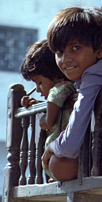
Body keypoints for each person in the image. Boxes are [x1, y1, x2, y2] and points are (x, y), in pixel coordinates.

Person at [42, 6, 102, 181]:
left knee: (59, 165)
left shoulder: (94, 75)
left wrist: (53, 146)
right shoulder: (96, 71)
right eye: (59, 52)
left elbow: (70, 144)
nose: (65, 59)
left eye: (75, 48)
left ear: (100, 49)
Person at [20, 39, 76, 181]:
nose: (38, 89)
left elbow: (48, 122)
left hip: (65, 160)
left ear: (57, 75)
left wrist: (44, 118)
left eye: (39, 82)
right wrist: (41, 104)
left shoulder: (61, 88)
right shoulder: (62, 94)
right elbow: (56, 105)